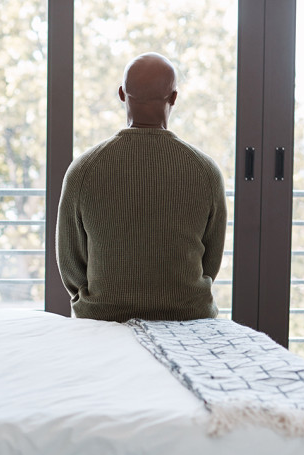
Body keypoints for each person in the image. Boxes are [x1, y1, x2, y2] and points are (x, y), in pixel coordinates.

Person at [55, 52, 227, 322]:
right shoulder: (206, 171)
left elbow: (71, 264)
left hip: (104, 317)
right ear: (173, 98)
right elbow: (210, 262)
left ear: (122, 94)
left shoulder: (83, 170)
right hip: (188, 317)